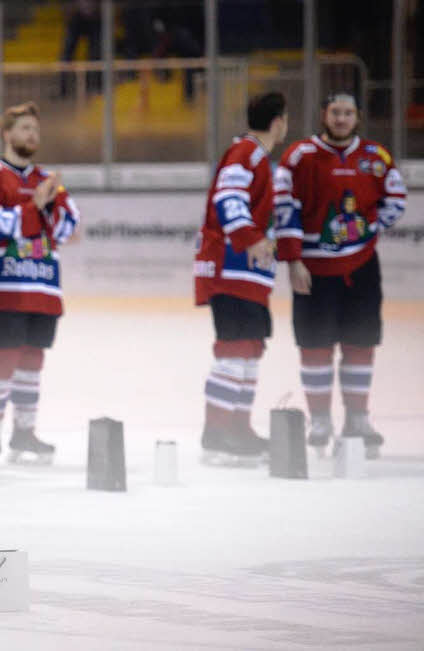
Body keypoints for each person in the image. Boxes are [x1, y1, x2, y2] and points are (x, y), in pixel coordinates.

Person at [273, 92, 407, 458]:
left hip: (361, 267)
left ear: (358, 117)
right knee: (314, 344)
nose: (342, 119)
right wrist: (293, 259)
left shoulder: (375, 157)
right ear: (324, 115)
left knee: (360, 343)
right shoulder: (300, 157)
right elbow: (284, 208)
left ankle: (357, 419)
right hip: (313, 270)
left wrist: (367, 229)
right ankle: (319, 419)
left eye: (349, 113)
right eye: (336, 112)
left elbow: (396, 199)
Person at [0, 102, 79, 465]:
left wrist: (43, 209)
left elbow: (68, 224)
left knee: (32, 361)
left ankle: (24, 433)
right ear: (7, 133)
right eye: (25, 129)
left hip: (44, 286)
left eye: (35, 129)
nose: (33, 135)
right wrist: (35, 210)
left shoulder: (45, 179)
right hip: (3, 286)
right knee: (2, 359)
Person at [194, 92, 288, 465]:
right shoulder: (247, 153)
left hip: (247, 274)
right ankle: (215, 433)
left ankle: (238, 428)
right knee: (234, 351)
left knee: (249, 349)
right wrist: (251, 239)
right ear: (279, 122)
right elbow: (228, 197)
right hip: (230, 268)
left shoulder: (257, 158)